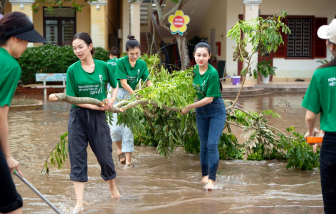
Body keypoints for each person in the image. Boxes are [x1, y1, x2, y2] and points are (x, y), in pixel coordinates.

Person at [65, 32, 120, 211]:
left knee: (105, 155)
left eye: (80, 47)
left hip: (98, 118)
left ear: (90, 46)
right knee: (78, 158)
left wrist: (111, 99)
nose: (77, 51)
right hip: (78, 118)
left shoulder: (103, 66)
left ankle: (113, 188)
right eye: (74, 48)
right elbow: (72, 99)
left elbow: (115, 84)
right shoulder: (72, 70)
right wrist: (96, 106)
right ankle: (79, 203)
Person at [0, 12, 47, 214]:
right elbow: (1, 116)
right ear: (16, 37)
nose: (27, 47)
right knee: (12, 205)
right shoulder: (11, 66)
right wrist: (8, 156)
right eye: (26, 41)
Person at [181, 40, 225, 190]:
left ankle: (212, 180)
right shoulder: (193, 71)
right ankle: (204, 176)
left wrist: (189, 106)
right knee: (203, 145)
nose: (201, 58)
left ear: (209, 56)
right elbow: (187, 89)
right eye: (198, 55)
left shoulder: (212, 73)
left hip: (215, 110)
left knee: (212, 145)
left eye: (204, 55)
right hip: (201, 112)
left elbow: (209, 98)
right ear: (194, 55)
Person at [302, 19, 336, 213]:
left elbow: (310, 116)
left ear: (331, 46)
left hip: (331, 145)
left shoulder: (321, 75)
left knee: (331, 205)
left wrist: (311, 132)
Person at [112, 35, 152, 167]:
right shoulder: (121, 62)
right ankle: (119, 149)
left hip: (132, 96)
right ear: (126, 52)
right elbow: (123, 83)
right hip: (117, 94)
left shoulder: (142, 64)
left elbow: (148, 82)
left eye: (137, 54)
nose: (135, 56)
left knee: (128, 129)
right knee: (115, 129)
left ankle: (128, 163)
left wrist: (154, 93)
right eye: (131, 54)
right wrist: (135, 95)